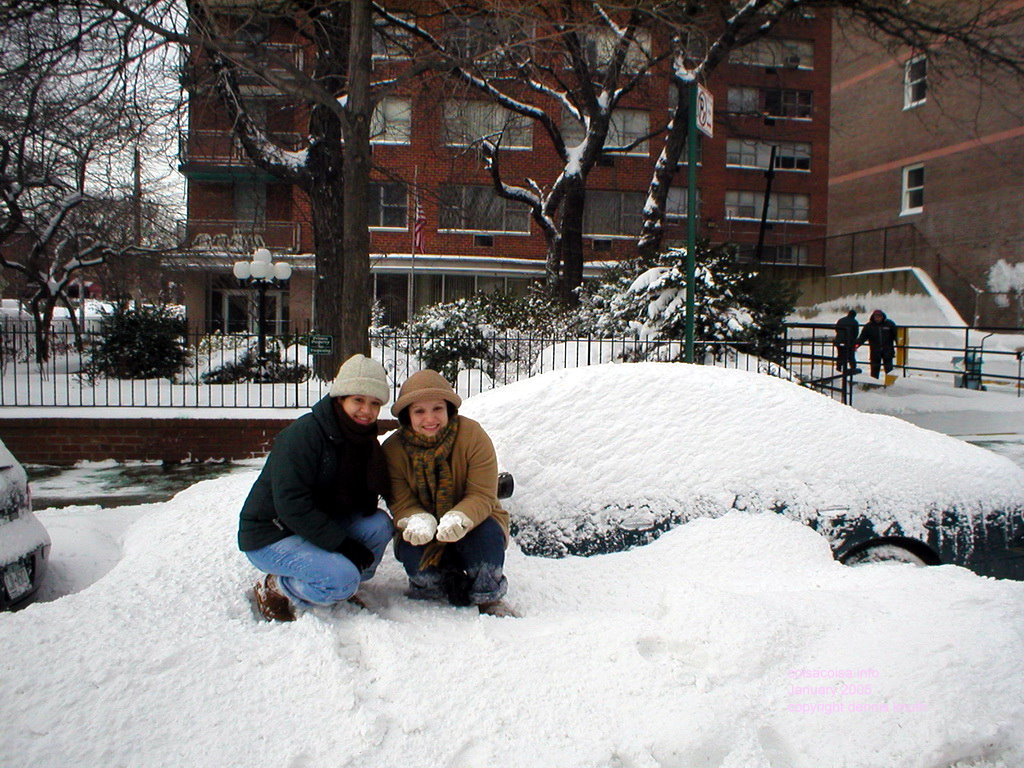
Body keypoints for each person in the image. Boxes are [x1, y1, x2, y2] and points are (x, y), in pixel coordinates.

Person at [238, 354, 394, 622]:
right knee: (342, 579)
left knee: (378, 525)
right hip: (272, 533)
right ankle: (277, 587)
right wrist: (342, 544)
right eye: (358, 400)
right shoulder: (304, 434)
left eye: (375, 403)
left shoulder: (362, 440)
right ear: (340, 398)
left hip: (317, 525)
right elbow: (291, 505)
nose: (366, 411)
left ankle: (342, 583)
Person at [382, 369, 510, 612]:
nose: (430, 418)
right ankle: (432, 587)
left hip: (475, 521)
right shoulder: (393, 450)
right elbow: (400, 501)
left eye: (437, 408)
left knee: (486, 542)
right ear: (407, 415)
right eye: (419, 411)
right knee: (419, 564)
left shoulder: (473, 436)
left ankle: (488, 594)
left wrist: (460, 517)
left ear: (448, 409)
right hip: (423, 532)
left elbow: (483, 494)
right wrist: (417, 518)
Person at [857, 309, 898, 380]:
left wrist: (899, 345)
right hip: (875, 351)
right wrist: (856, 345)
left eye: (879, 316)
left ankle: (890, 383)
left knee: (889, 370)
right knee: (874, 370)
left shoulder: (889, 324)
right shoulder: (869, 326)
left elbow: (896, 336)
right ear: (873, 317)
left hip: (888, 351)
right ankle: (874, 383)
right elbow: (862, 337)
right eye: (876, 317)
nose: (877, 318)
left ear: (882, 317)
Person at [834, 309, 861, 374]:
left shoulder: (841, 320)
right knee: (851, 356)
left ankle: (838, 368)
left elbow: (836, 329)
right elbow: (856, 333)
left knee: (840, 355)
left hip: (839, 341)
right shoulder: (855, 322)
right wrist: (853, 340)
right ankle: (853, 368)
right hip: (849, 342)